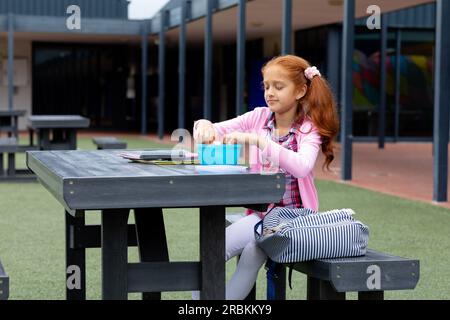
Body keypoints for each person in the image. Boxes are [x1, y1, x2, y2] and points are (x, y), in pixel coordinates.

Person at [192, 54, 339, 300]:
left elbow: (302, 167)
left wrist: (260, 141)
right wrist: (204, 125)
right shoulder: (259, 117)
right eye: (267, 86)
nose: (270, 92)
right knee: (211, 251)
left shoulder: (308, 129)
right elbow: (215, 128)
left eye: (279, 87)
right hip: (262, 215)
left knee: (252, 251)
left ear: (301, 91)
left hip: (293, 220)